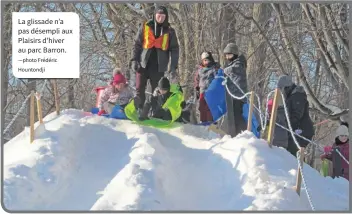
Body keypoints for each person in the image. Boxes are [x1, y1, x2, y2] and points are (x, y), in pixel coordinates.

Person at [130, 5, 179, 110]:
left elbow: (174, 49)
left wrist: (173, 66)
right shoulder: (145, 27)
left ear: (166, 17)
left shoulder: (170, 31)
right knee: (139, 88)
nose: (160, 18)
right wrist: (134, 60)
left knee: (155, 91)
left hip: (158, 66)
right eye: (158, 15)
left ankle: (152, 111)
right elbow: (137, 45)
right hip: (143, 64)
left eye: (163, 16)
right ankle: (139, 109)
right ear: (154, 15)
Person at [276, 75, 314, 156]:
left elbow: (297, 115)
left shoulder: (297, 96)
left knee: (293, 154)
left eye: (282, 89)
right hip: (295, 130)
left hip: (301, 130)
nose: (282, 92)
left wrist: (286, 125)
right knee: (291, 153)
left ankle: (297, 168)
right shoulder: (291, 96)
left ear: (287, 87)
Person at [222, 43, 248, 137]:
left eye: (229, 55)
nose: (228, 57)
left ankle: (242, 134)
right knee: (232, 117)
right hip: (232, 96)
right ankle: (234, 133)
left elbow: (235, 69)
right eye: (226, 55)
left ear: (235, 54)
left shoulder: (239, 63)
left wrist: (224, 71)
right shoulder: (232, 64)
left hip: (238, 96)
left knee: (237, 116)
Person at [194, 51, 221, 123]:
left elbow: (218, 79)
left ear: (210, 60)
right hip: (202, 91)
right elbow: (197, 79)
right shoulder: (200, 70)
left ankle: (211, 122)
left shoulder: (214, 69)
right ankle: (203, 121)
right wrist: (197, 88)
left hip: (211, 91)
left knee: (210, 107)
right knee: (202, 107)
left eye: (207, 60)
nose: (205, 62)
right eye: (204, 61)